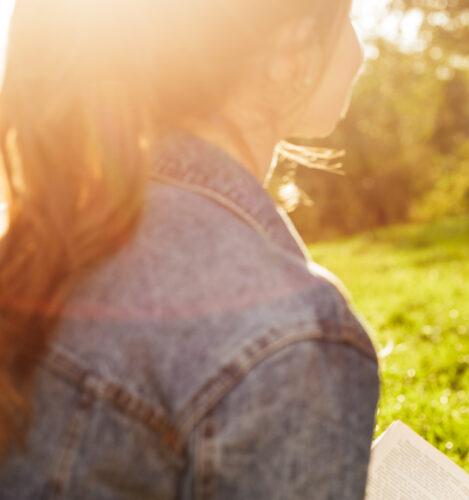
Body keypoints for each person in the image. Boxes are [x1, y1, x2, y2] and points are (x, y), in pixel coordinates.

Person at [0, 0, 378, 497]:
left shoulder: (61, 234)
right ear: (292, 52)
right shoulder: (294, 334)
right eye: (349, 17)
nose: (362, 52)